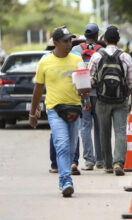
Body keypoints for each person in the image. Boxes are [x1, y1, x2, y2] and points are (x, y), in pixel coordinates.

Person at [29, 26, 88, 197]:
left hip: (74, 109)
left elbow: (84, 86)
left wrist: (86, 96)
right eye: (65, 40)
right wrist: (33, 113)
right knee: (62, 144)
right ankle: (66, 180)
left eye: (71, 40)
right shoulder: (45, 62)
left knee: (71, 148)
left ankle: (63, 179)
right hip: (54, 110)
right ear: (55, 43)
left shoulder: (77, 59)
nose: (69, 43)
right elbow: (38, 90)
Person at [89, 25, 132, 176]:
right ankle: (118, 163)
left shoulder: (97, 56)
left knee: (104, 132)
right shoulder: (125, 56)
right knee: (121, 131)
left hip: (101, 100)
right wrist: (126, 95)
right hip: (120, 100)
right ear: (118, 40)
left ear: (104, 39)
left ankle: (108, 165)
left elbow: (90, 79)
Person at [72, 23, 104, 170]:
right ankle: (100, 160)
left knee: (85, 126)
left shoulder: (75, 50)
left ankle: (89, 161)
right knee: (99, 126)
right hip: (98, 94)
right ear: (97, 35)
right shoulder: (102, 51)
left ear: (85, 35)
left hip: (83, 93)